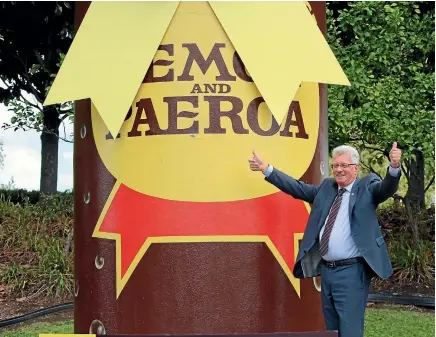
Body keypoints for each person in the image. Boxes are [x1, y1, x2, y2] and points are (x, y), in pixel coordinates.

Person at [248, 142, 402, 337]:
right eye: (336, 165)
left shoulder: (367, 187)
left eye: (344, 165)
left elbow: (386, 188)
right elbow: (297, 188)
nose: (339, 170)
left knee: (350, 329)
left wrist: (394, 167)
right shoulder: (327, 188)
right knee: (332, 329)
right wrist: (266, 169)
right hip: (327, 271)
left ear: (356, 168)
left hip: (352, 272)